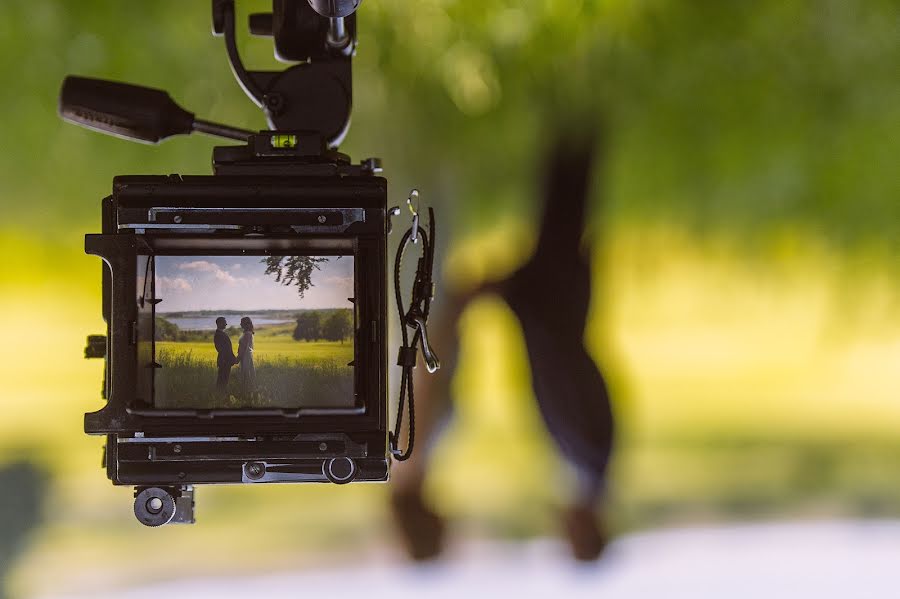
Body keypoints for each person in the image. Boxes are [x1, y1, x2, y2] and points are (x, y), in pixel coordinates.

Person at [213, 317, 237, 394]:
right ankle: (219, 396)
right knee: (222, 381)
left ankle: (220, 396)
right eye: (224, 322)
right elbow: (223, 350)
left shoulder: (221, 334)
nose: (226, 324)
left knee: (224, 380)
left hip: (225, 360)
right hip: (224, 361)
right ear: (219, 323)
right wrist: (232, 359)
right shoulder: (218, 335)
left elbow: (227, 349)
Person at [237, 316, 256, 395]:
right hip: (247, 356)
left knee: (245, 373)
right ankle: (248, 391)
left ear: (245, 324)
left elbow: (244, 347)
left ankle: (246, 392)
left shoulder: (247, 334)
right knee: (247, 373)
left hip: (245, 356)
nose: (240, 324)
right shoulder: (248, 333)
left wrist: (238, 358)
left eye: (241, 322)